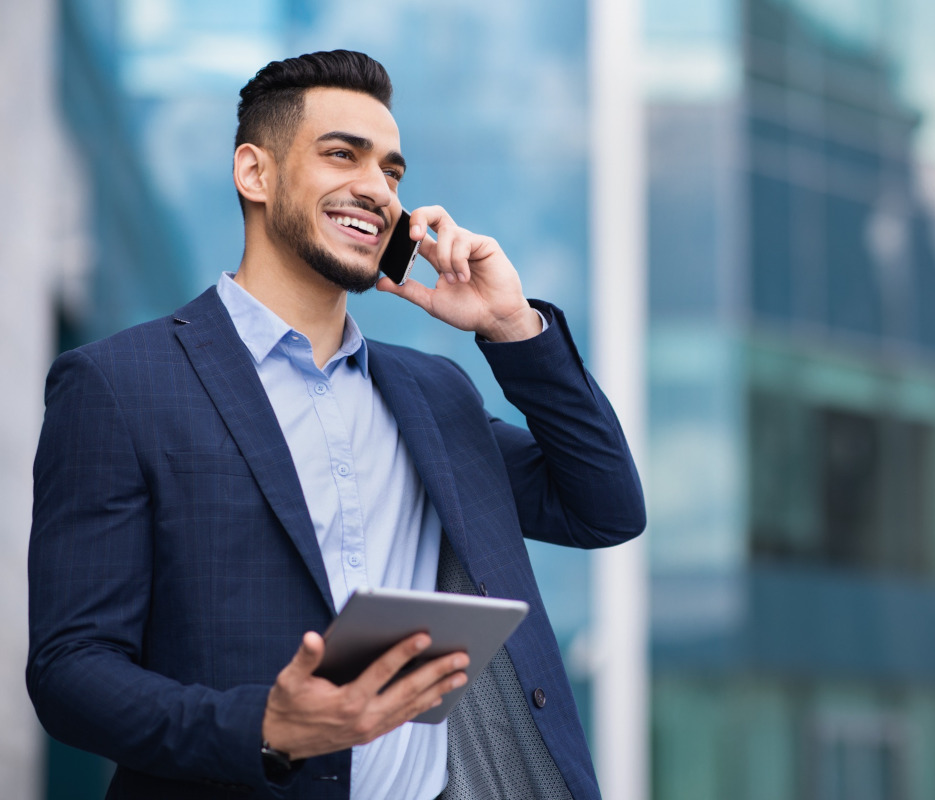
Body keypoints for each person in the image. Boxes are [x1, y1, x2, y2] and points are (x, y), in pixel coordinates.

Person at [27, 50, 644, 800]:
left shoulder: (433, 395)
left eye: (391, 171)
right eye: (341, 155)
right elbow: (72, 672)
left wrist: (512, 326)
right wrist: (267, 726)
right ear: (254, 173)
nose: (376, 190)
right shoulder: (120, 384)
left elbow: (603, 506)